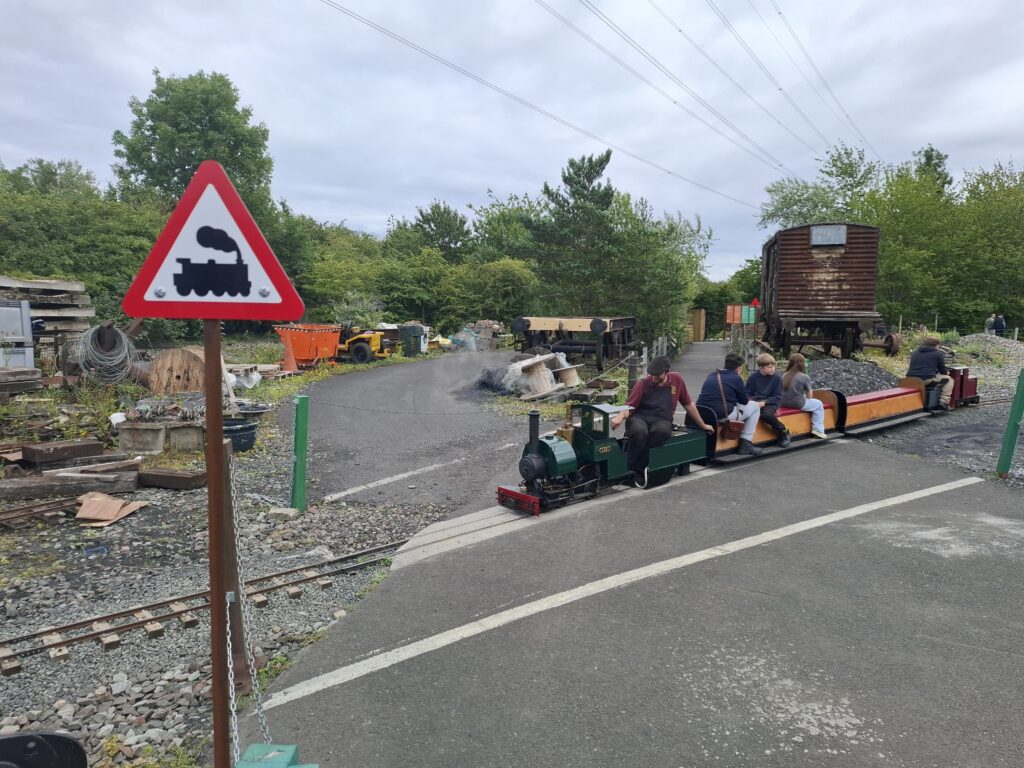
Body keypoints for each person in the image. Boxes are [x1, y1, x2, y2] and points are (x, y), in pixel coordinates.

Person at [610, 356, 714, 485]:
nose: (653, 378)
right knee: (639, 432)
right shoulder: (643, 384)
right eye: (651, 375)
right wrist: (619, 417)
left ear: (667, 371)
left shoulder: (677, 380)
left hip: (662, 419)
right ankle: (632, 470)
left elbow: (688, 404)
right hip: (640, 417)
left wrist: (702, 425)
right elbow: (629, 407)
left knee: (661, 432)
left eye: (657, 375)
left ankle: (648, 467)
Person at [696, 353, 764, 455]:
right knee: (754, 406)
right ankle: (746, 443)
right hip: (721, 415)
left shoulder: (712, 374)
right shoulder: (736, 378)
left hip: (702, 413)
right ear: (738, 368)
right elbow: (744, 401)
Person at [746, 352, 790, 447]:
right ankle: (747, 441)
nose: (772, 369)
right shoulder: (753, 378)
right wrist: (749, 401)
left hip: (772, 402)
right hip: (756, 402)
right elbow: (747, 393)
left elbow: (778, 396)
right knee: (745, 414)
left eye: (773, 366)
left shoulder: (777, 377)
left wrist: (764, 402)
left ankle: (783, 431)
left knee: (766, 415)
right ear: (761, 368)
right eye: (769, 367)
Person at [780, 353, 828, 438]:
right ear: (802, 364)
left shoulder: (785, 374)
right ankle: (818, 430)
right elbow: (809, 396)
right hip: (797, 404)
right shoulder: (804, 377)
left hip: (782, 402)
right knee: (818, 404)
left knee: (806, 400)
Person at [906, 336, 953, 410]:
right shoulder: (938, 354)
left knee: (934, 377)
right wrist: (947, 373)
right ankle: (944, 402)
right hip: (926, 380)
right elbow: (942, 371)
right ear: (936, 345)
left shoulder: (915, 352)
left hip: (910, 379)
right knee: (949, 380)